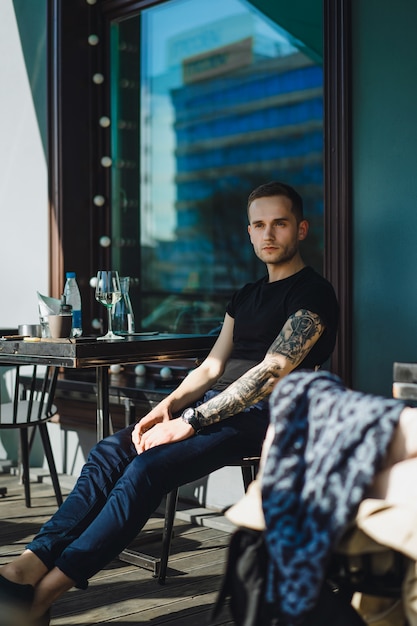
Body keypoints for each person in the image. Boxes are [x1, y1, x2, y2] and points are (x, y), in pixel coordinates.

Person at [0, 181, 338, 625]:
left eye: (280, 223)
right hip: (216, 407)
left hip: (272, 416)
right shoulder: (246, 295)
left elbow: (268, 373)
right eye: (259, 224)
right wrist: (168, 407)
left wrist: (191, 422)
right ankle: (26, 566)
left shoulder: (312, 294)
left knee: (146, 469)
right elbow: (212, 368)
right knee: (111, 450)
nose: (269, 233)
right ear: (250, 232)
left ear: (301, 229)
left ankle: (43, 596)